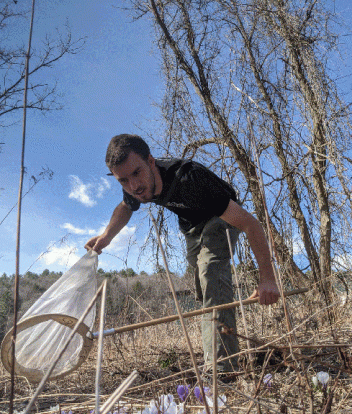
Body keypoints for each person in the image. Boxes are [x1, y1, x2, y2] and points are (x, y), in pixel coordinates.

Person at [85, 134, 280, 373]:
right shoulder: (133, 186)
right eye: (123, 180)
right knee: (204, 288)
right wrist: (106, 237)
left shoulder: (190, 178)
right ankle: (216, 339)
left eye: (137, 173)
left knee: (211, 273)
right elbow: (126, 207)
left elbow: (251, 224)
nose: (134, 186)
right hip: (191, 227)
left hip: (219, 217)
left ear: (151, 161)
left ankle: (222, 370)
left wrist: (268, 279)